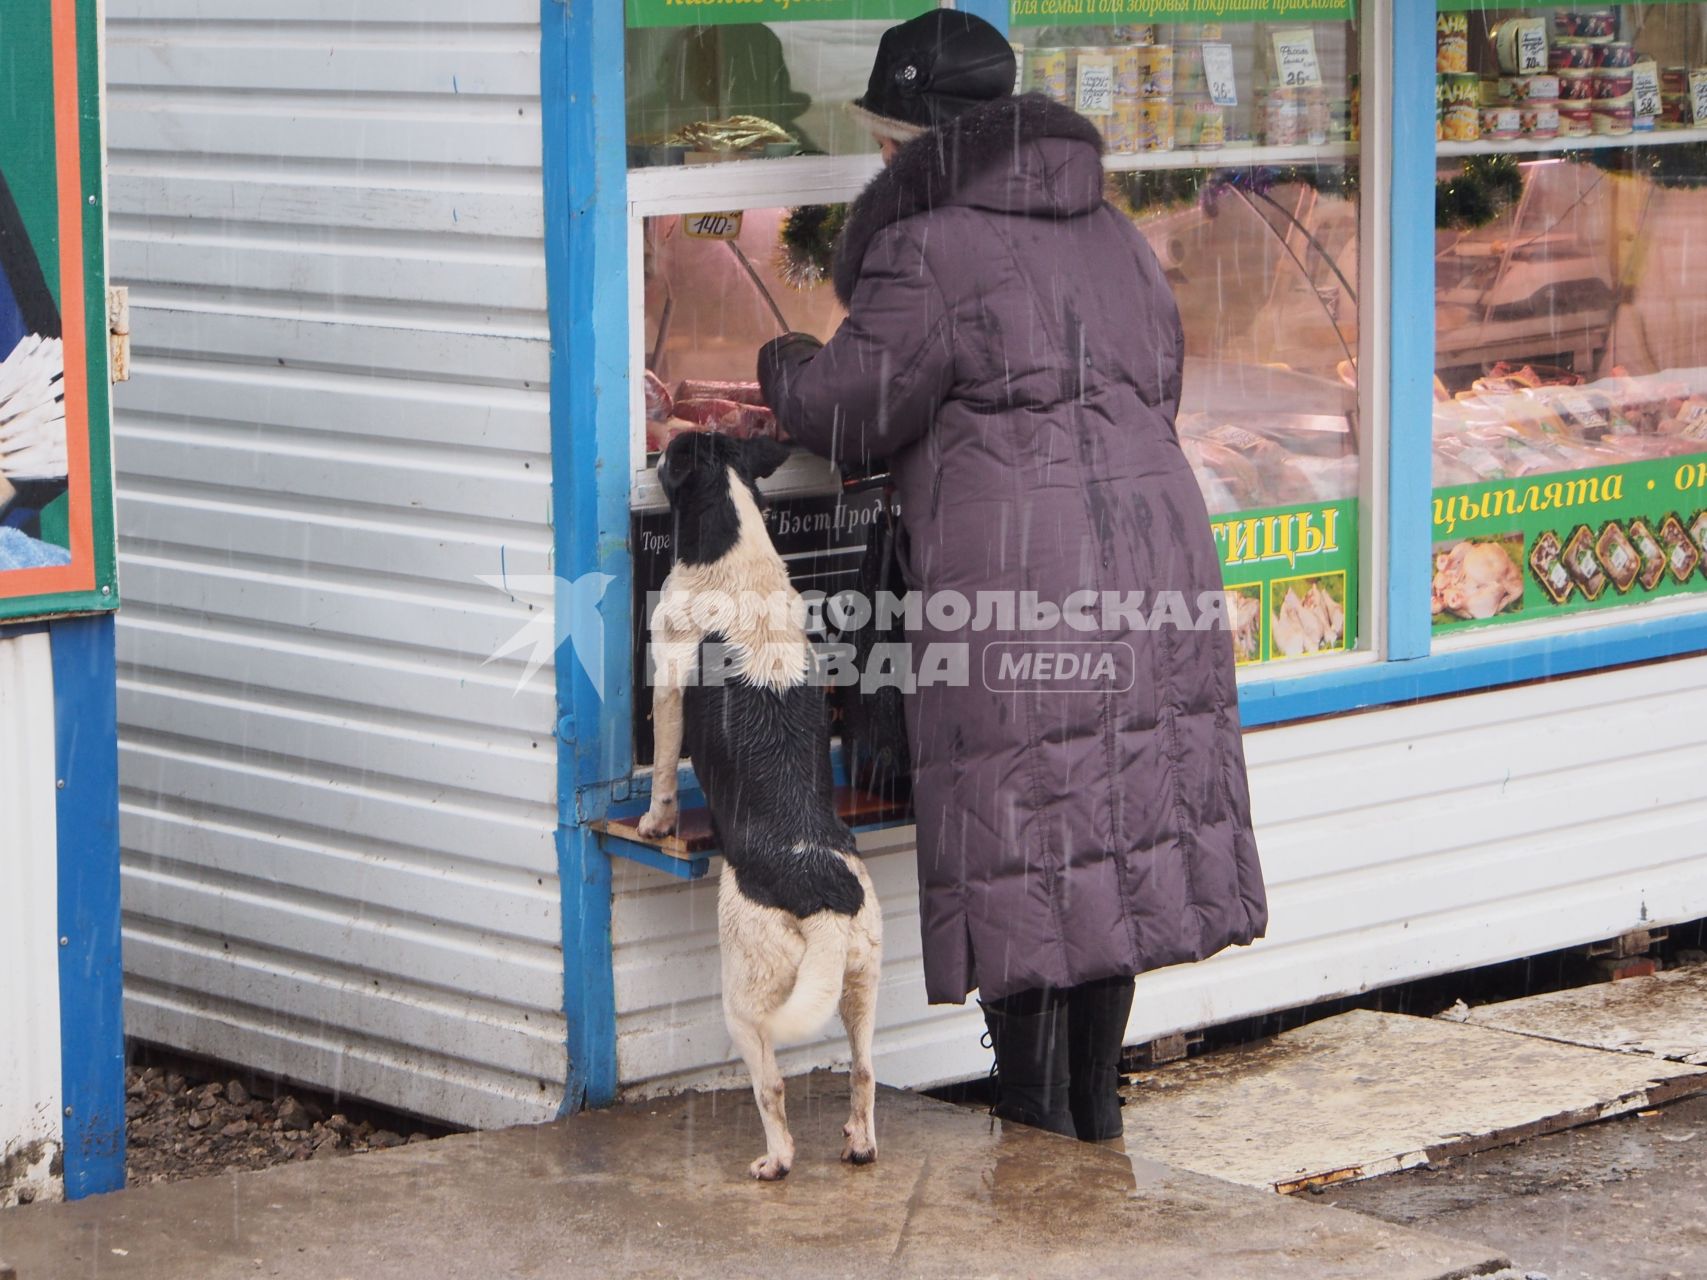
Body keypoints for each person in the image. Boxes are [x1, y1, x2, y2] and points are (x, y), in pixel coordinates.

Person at [757, 11, 1268, 1143]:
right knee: (1112, 830)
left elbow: (850, 407)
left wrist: (782, 359)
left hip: (1020, 580)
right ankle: (1095, 1113)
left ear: (926, 141)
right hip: (1152, 565)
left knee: (1029, 833)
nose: (884, 161)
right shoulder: (1117, 234)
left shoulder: (931, 248)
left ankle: (1039, 1132)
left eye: (890, 141)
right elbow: (1157, 386)